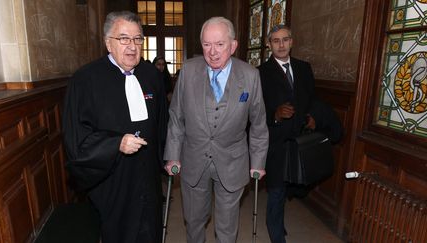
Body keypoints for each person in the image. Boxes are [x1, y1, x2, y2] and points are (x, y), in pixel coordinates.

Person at [62, 11, 167, 243]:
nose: (132, 46)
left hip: (148, 177)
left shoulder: (151, 75)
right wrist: (116, 143)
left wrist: (166, 158)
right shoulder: (85, 80)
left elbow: (162, 124)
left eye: (138, 39)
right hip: (112, 181)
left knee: (150, 231)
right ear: (108, 43)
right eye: (124, 39)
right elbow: (76, 140)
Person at [163, 16, 268, 243]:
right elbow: (176, 117)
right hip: (193, 158)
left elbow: (259, 124)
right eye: (206, 44)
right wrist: (172, 156)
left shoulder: (250, 76)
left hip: (232, 160)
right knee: (194, 221)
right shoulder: (188, 71)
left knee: (227, 227)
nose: (212, 52)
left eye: (220, 44)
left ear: (233, 45)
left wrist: (258, 162)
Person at [259, 24, 342, 243]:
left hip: (300, 141)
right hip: (276, 143)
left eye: (285, 39)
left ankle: (279, 224)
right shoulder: (260, 73)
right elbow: (254, 110)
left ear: (292, 42)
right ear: (269, 45)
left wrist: (313, 117)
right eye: (275, 41)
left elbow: (312, 98)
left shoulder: (304, 68)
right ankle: (277, 236)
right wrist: (274, 115)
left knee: (291, 187)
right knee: (276, 192)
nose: (281, 45)